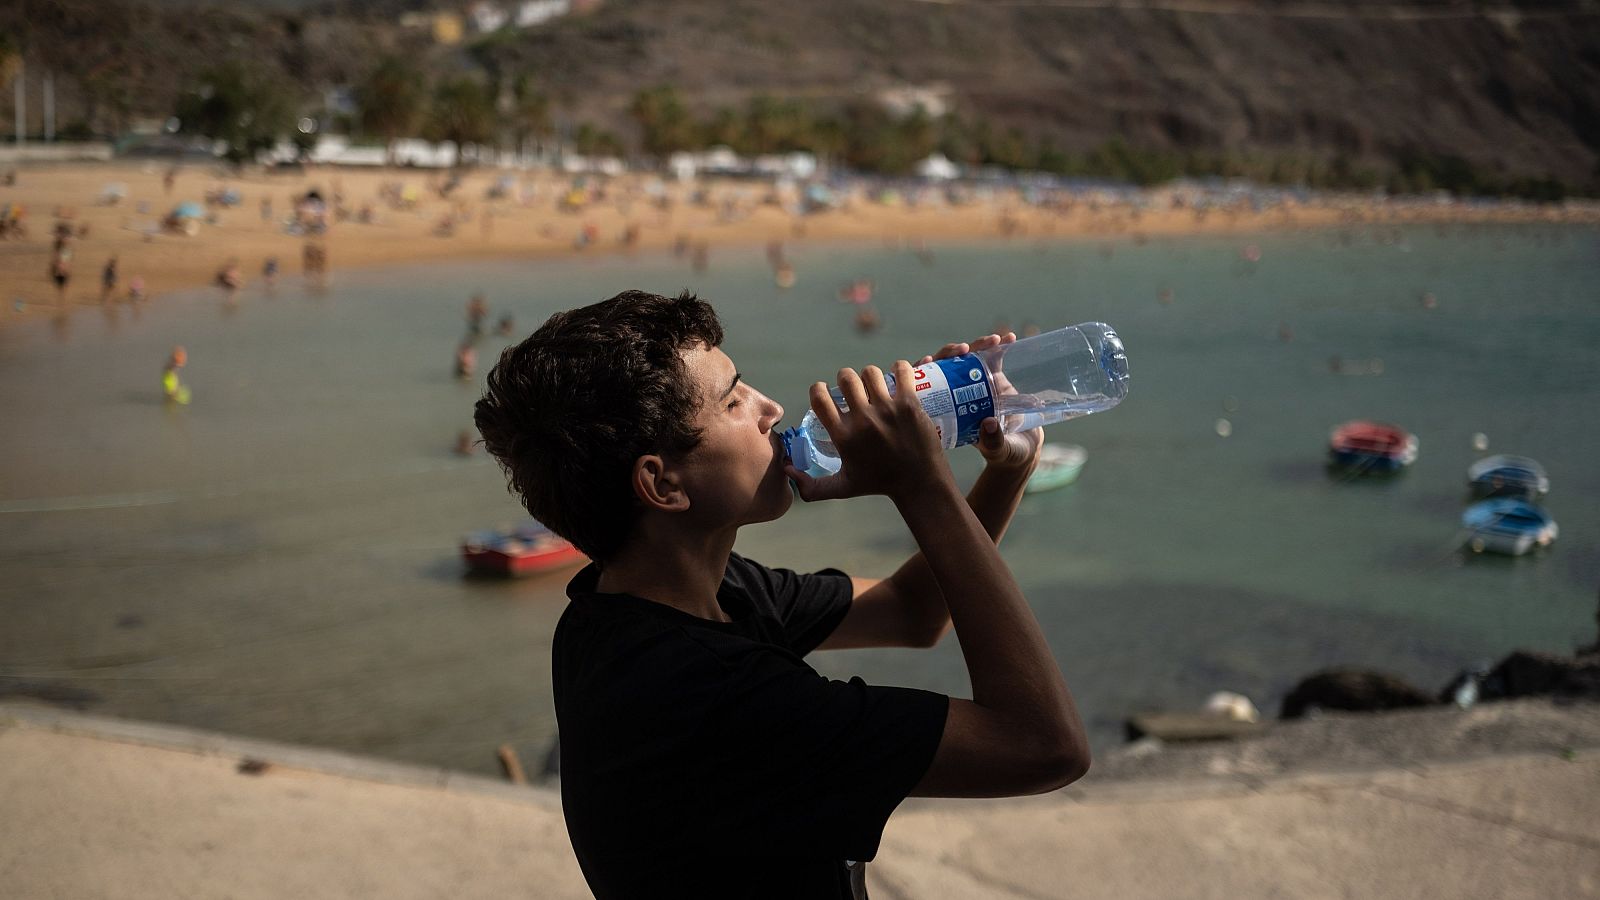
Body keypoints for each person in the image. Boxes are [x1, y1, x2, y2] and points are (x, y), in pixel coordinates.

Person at [474, 291, 1088, 898]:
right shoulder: (711, 696)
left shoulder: (646, 604)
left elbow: (912, 612)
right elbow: (1045, 745)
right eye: (733, 401)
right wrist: (922, 486)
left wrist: (1006, 470)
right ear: (662, 485)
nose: (770, 408)